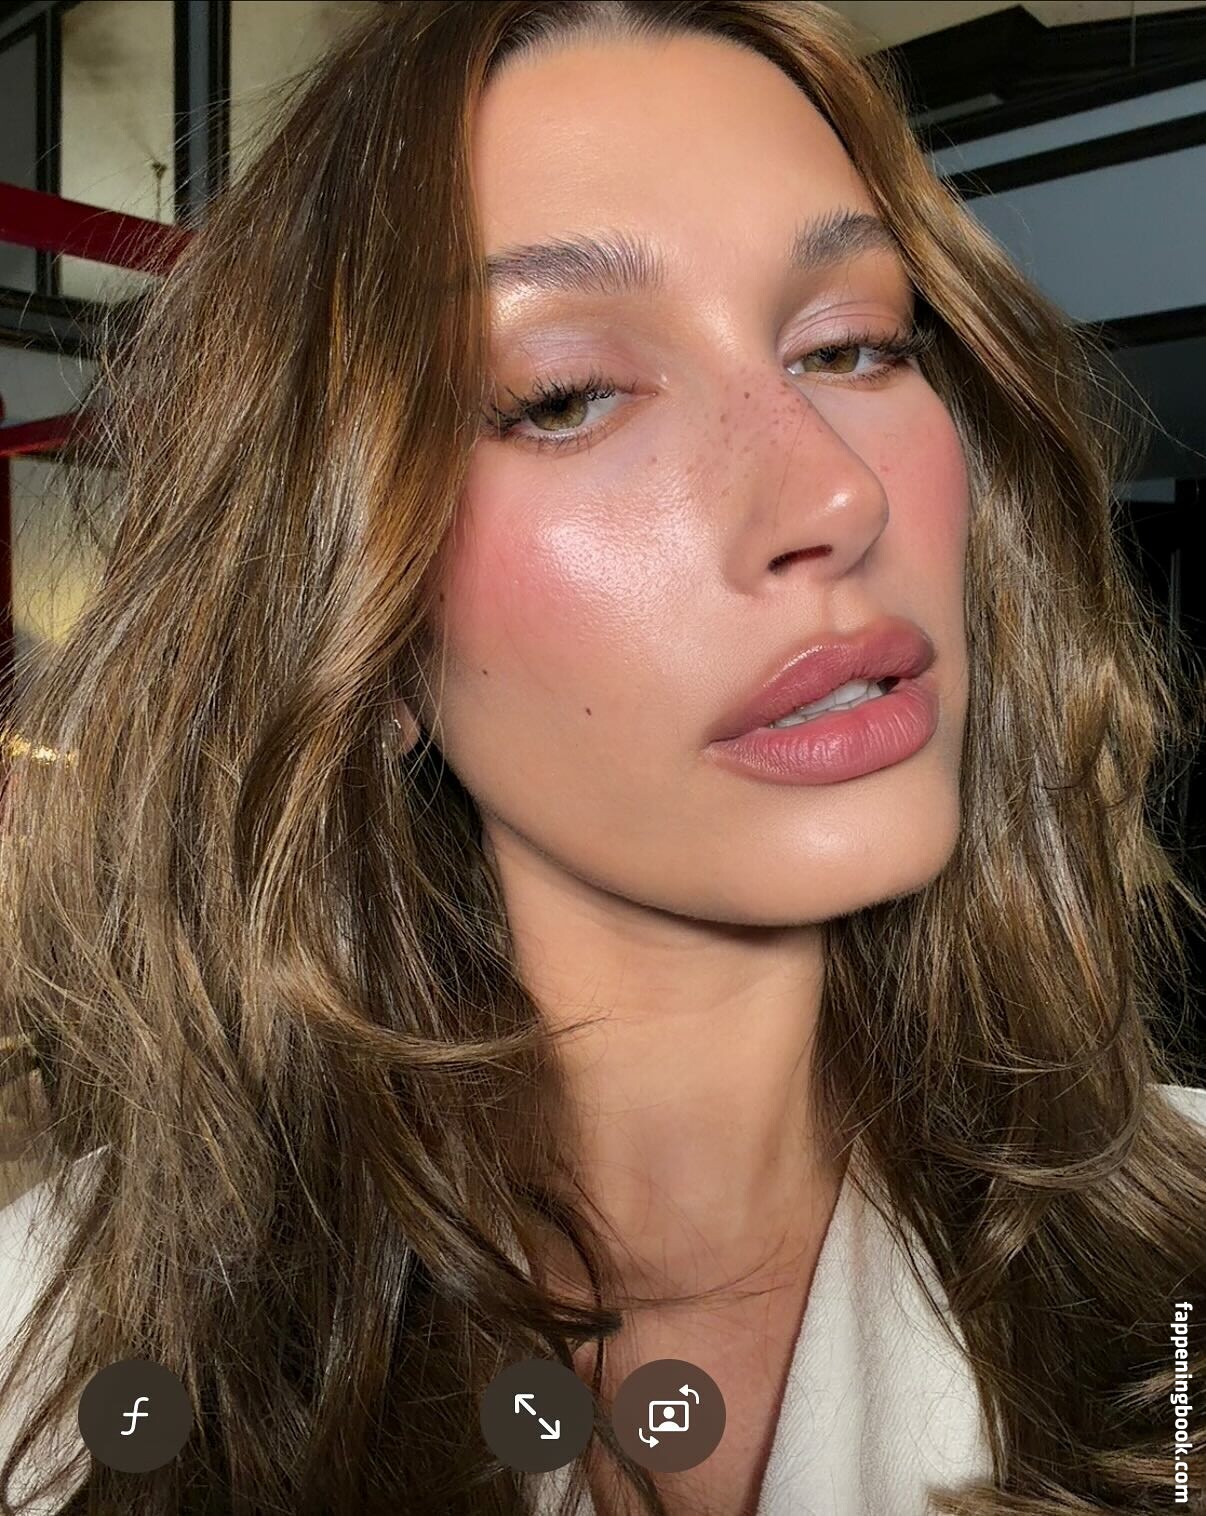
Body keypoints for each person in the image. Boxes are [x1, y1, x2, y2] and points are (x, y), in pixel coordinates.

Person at [0, 3, 1203, 1514]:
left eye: (852, 344)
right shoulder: (46, 1365)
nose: (834, 493)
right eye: (565, 396)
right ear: (358, 623)